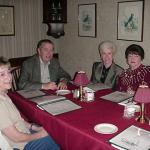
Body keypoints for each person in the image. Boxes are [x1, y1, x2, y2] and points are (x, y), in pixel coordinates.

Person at [0, 57, 60, 150]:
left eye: (8, 72)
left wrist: (35, 128)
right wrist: (40, 135)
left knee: (53, 130)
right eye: (2, 74)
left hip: (25, 135)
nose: (8, 77)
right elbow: (16, 137)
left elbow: (18, 121)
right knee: (58, 138)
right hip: (20, 146)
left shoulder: (4, 94)